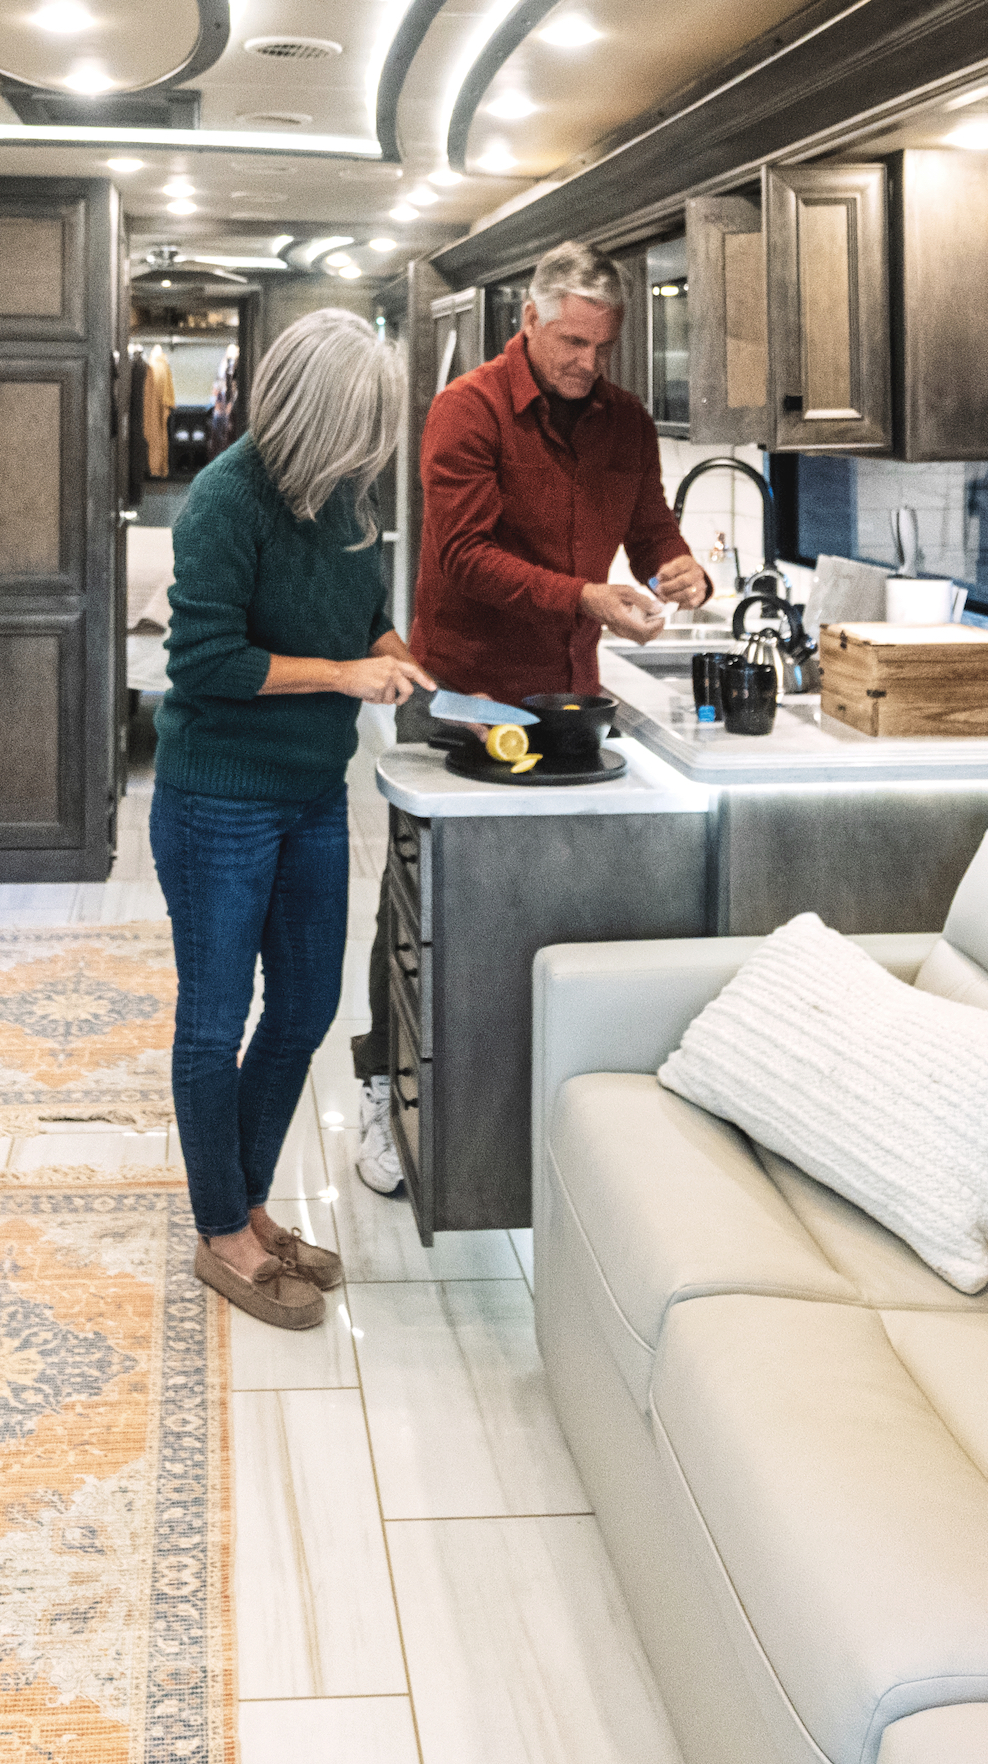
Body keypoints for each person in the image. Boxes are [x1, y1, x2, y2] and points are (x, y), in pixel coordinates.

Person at [359, 238, 711, 1196]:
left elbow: (651, 533)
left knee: (535, 906)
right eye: (568, 342)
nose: (582, 364)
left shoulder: (626, 422)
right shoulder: (465, 411)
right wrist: (585, 598)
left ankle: (515, 1106)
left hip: (569, 700)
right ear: (527, 319)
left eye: (600, 347)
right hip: (461, 696)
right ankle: (383, 1093)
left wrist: (681, 570)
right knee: (420, 901)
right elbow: (465, 556)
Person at [154, 308, 431, 1328]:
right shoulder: (227, 501)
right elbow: (203, 663)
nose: (374, 449)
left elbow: (361, 614)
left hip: (313, 787)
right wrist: (342, 675)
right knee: (212, 1021)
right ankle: (221, 1227)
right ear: (317, 418)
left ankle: (251, 1204)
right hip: (218, 798)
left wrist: (391, 646)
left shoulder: (346, 497)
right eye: (359, 426)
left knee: (307, 1004)